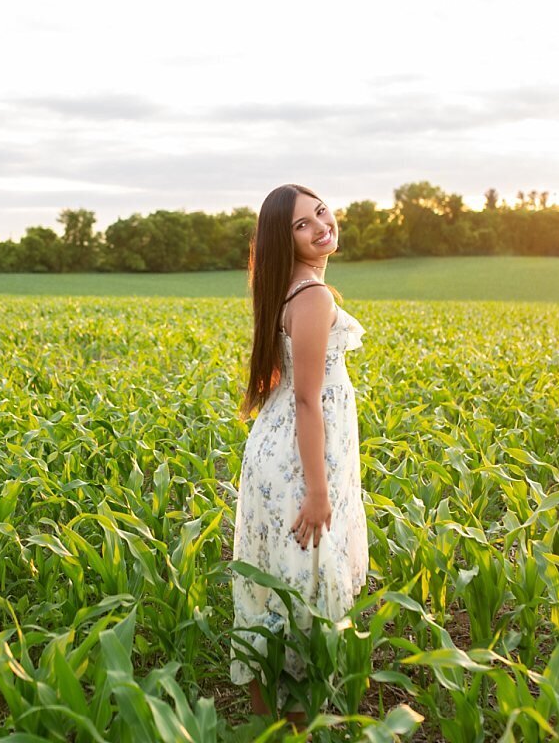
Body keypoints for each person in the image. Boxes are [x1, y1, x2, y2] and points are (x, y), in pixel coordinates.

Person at [230, 183, 369, 724]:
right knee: (302, 593)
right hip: (299, 461)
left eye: (321, 212)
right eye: (302, 225)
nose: (321, 226)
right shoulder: (312, 296)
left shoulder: (288, 289)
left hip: (280, 450)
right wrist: (317, 491)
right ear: (282, 241)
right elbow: (309, 401)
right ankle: (292, 729)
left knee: (279, 590)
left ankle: (272, 728)